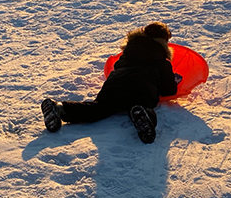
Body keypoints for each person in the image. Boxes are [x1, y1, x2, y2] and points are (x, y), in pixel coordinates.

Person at [40, 22, 179, 144]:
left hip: (114, 84)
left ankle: (61, 108)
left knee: (99, 108)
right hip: (142, 89)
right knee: (143, 103)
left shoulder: (127, 53)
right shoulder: (162, 61)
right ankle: (143, 114)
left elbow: (117, 67)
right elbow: (169, 90)